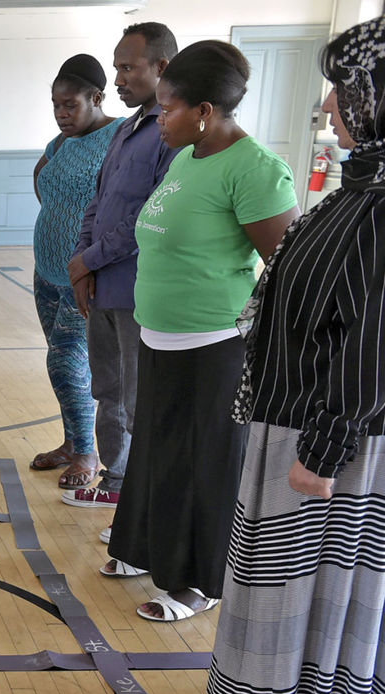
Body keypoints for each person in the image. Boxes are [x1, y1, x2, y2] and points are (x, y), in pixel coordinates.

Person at [208, 16, 385, 694]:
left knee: (305, 580)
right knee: (275, 575)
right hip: (295, 418)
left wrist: (323, 445)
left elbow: (374, 340)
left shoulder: (380, 206)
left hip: (327, 439)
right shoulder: (361, 188)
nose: (330, 109)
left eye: (342, 95)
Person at [103, 40, 299, 620]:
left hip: (215, 344)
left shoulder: (256, 170)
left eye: (168, 109)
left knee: (205, 465)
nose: (159, 119)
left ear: (205, 111)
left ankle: (202, 580)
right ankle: (143, 549)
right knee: (157, 454)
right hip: (158, 335)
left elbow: (284, 272)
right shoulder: (188, 157)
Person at [61, 22, 180, 515]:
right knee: (105, 388)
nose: (119, 79)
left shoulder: (170, 134)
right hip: (103, 288)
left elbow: (148, 215)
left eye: (128, 68)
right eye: (116, 68)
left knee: (135, 396)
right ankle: (114, 475)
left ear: (162, 68)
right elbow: (101, 199)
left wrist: (88, 259)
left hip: (137, 292)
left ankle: (136, 485)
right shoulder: (126, 130)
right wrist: (84, 263)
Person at [30, 54, 122, 490]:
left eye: (70, 105)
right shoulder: (61, 141)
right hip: (46, 270)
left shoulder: (120, 138)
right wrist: (56, 215)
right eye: (55, 105)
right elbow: (42, 175)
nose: (62, 114)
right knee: (64, 360)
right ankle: (71, 442)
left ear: (97, 98)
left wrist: (88, 254)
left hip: (85, 275)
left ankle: (87, 453)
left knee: (66, 361)